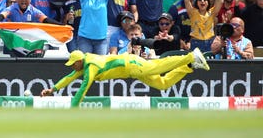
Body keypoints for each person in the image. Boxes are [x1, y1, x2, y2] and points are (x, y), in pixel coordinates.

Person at [40, 48, 210, 107]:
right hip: (131, 70)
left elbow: (83, 88)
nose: (72, 67)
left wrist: (73, 108)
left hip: (132, 64)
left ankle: (190, 56)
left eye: (73, 64)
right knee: (163, 85)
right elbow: (69, 77)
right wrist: (53, 89)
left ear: (79, 61)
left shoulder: (91, 67)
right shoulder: (83, 65)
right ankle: (188, 66)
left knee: (159, 65)